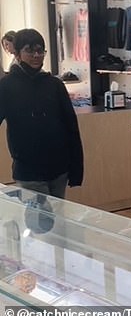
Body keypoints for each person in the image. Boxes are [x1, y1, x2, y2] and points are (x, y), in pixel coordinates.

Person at [0, 28, 83, 198]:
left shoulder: (54, 84)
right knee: (39, 222)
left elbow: (71, 127)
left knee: (59, 219)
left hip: (59, 169)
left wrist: (76, 168)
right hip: (28, 170)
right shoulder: (7, 86)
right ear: (17, 54)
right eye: (30, 50)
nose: (36, 55)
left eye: (40, 50)